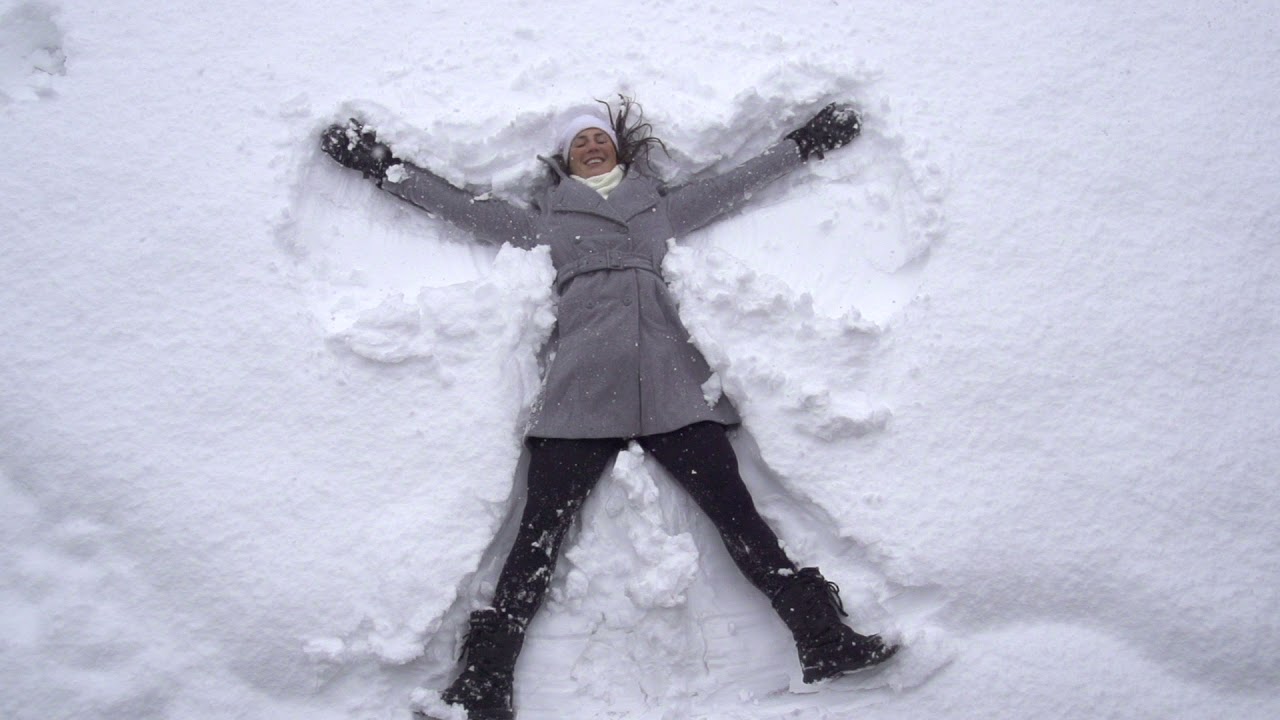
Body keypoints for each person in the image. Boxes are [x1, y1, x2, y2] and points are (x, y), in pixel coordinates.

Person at [320, 98, 896, 720]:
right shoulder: (544, 220)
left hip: (673, 387)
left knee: (740, 518)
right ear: (564, 161)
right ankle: (483, 683)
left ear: (618, 147)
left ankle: (823, 638)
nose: (591, 147)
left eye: (599, 138)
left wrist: (807, 143)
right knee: (535, 538)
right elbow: (457, 207)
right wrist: (379, 165)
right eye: (579, 144)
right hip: (582, 394)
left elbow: (738, 183)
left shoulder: (659, 207)